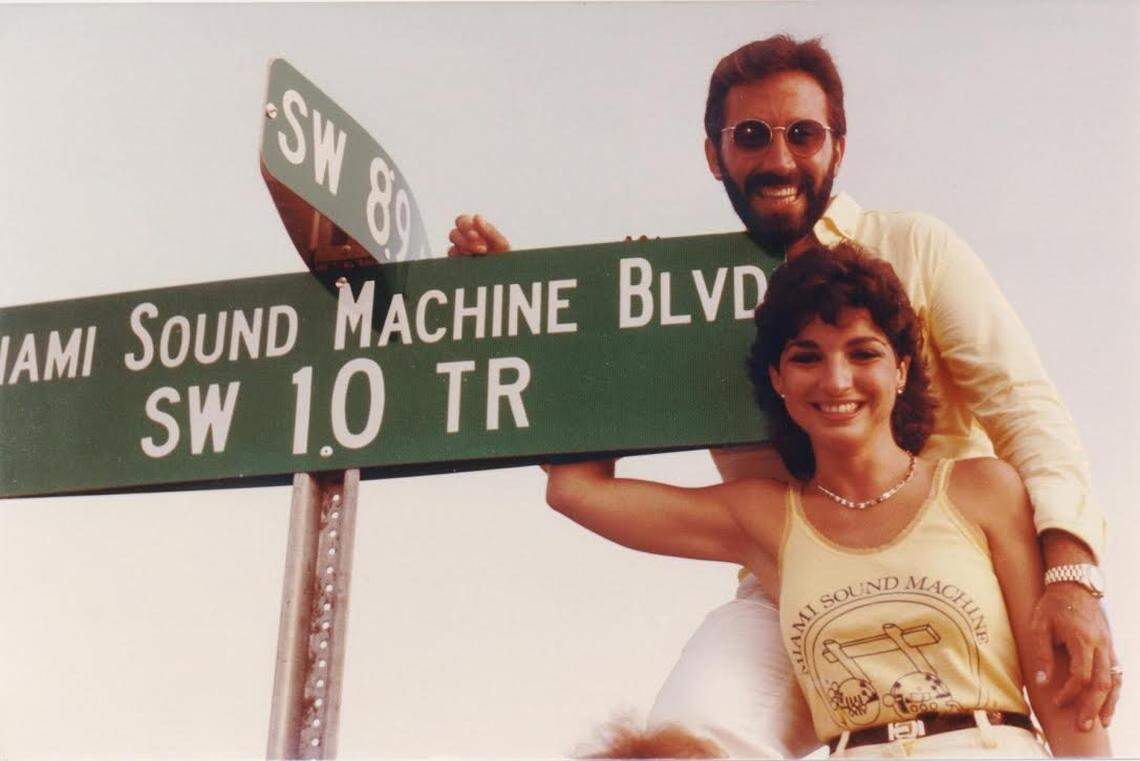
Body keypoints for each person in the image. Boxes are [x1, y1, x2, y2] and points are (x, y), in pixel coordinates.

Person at [448, 35, 1118, 757]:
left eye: (803, 134)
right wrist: (539, 316)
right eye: (751, 137)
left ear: (838, 144)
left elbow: (1026, 411)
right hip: (791, 574)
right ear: (715, 153)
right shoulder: (692, 301)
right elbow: (585, 463)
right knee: (681, 742)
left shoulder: (913, 245)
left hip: (954, 560)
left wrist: (1072, 574)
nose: (779, 159)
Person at [545, 245, 1110, 757]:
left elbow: (1068, 703)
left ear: (901, 370)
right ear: (779, 379)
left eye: (863, 353)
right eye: (807, 358)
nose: (836, 381)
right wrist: (597, 314)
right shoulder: (764, 518)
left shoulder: (982, 490)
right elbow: (578, 490)